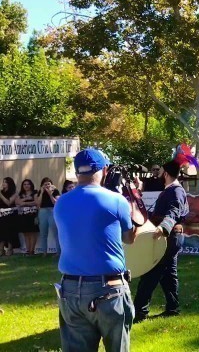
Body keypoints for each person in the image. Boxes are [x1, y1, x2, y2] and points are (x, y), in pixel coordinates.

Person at [54, 148, 136, 352]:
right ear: (105, 170)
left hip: (70, 288)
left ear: (77, 172)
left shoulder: (61, 202)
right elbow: (129, 238)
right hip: (108, 288)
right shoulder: (117, 200)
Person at [134, 158, 190, 323]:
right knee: (168, 274)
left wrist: (164, 227)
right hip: (170, 237)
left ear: (165, 173)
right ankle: (173, 308)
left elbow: (173, 211)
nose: (157, 175)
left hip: (168, 237)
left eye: (159, 172)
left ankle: (139, 312)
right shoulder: (171, 190)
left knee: (151, 272)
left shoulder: (175, 191)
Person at [36, 177, 61, 256]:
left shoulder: (55, 191)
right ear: (42, 185)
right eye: (45, 184)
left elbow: (56, 202)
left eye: (48, 184)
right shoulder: (40, 191)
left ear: (51, 184)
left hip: (52, 211)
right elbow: (38, 204)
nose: (47, 186)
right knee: (43, 233)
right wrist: (42, 193)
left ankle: (58, 252)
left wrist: (50, 194)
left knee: (55, 232)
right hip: (43, 211)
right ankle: (44, 253)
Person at [16, 179, 39, 256]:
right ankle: (28, 250)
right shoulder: (21, 193)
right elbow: (18, 202)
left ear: (31, 185)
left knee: (32, 233)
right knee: (26, 233)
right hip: (23, 215)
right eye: (24, 184)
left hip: (32, 215)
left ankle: (32, 251)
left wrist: (24, 203)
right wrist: (26, 199)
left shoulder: (35, 192)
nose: (26, 186)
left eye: (28, 184)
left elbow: (36, 202)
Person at [0, 177, 18, 256]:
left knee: (10, 232)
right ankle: (1, 249)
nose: (3, 184)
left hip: (10, 215)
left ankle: (10, 249)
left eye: (5, 182)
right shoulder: (1, 192)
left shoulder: (14, 192)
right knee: (1, 232)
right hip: (1, 215)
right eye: (3, 182)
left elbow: (8, 202)